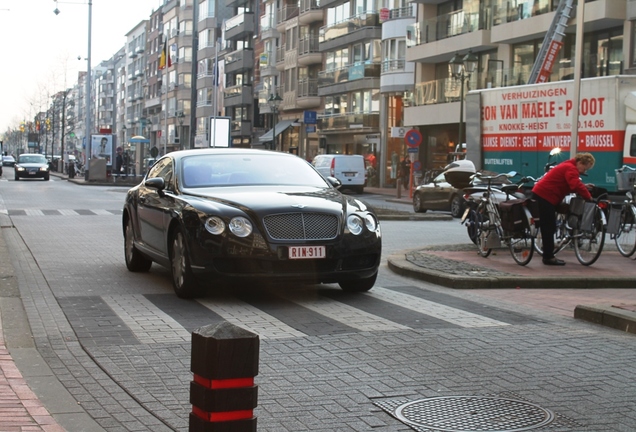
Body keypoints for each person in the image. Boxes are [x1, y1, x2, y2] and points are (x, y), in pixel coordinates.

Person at [532, 152, 595, 266]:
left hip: (546, 195)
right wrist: (588, 197)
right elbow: (575, 184)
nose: (584, 172)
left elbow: (569, 183)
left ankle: (548, 251)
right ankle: (548, 257)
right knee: (548, 226)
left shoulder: (568, 166)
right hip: (544, 196)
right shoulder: (570, 168)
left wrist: (583, 187)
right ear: (580, 163)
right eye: (585, 168)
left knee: (549, 225)